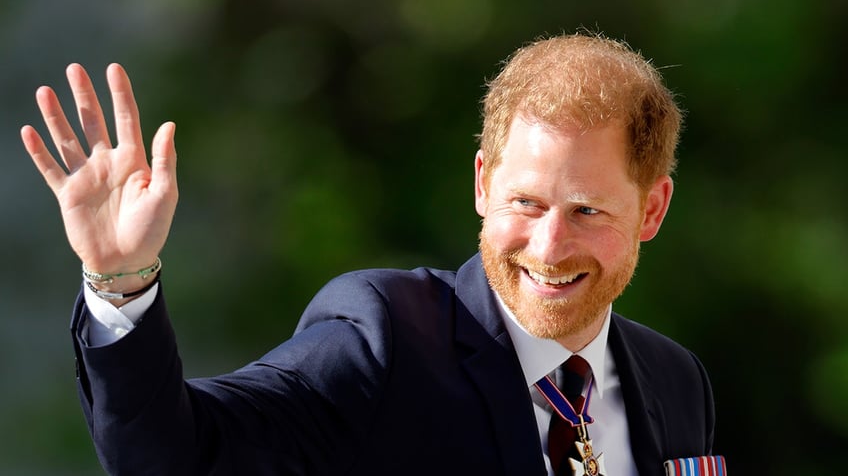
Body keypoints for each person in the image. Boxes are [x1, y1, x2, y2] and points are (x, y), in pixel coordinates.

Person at [21, 31, 723, 476]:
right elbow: (176, 457)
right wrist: (121, 281)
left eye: (587, 211)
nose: (548, 245)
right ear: (482, 183)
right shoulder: (384, 337)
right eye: (527, 203)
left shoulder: (675, 378)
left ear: (652, 209)